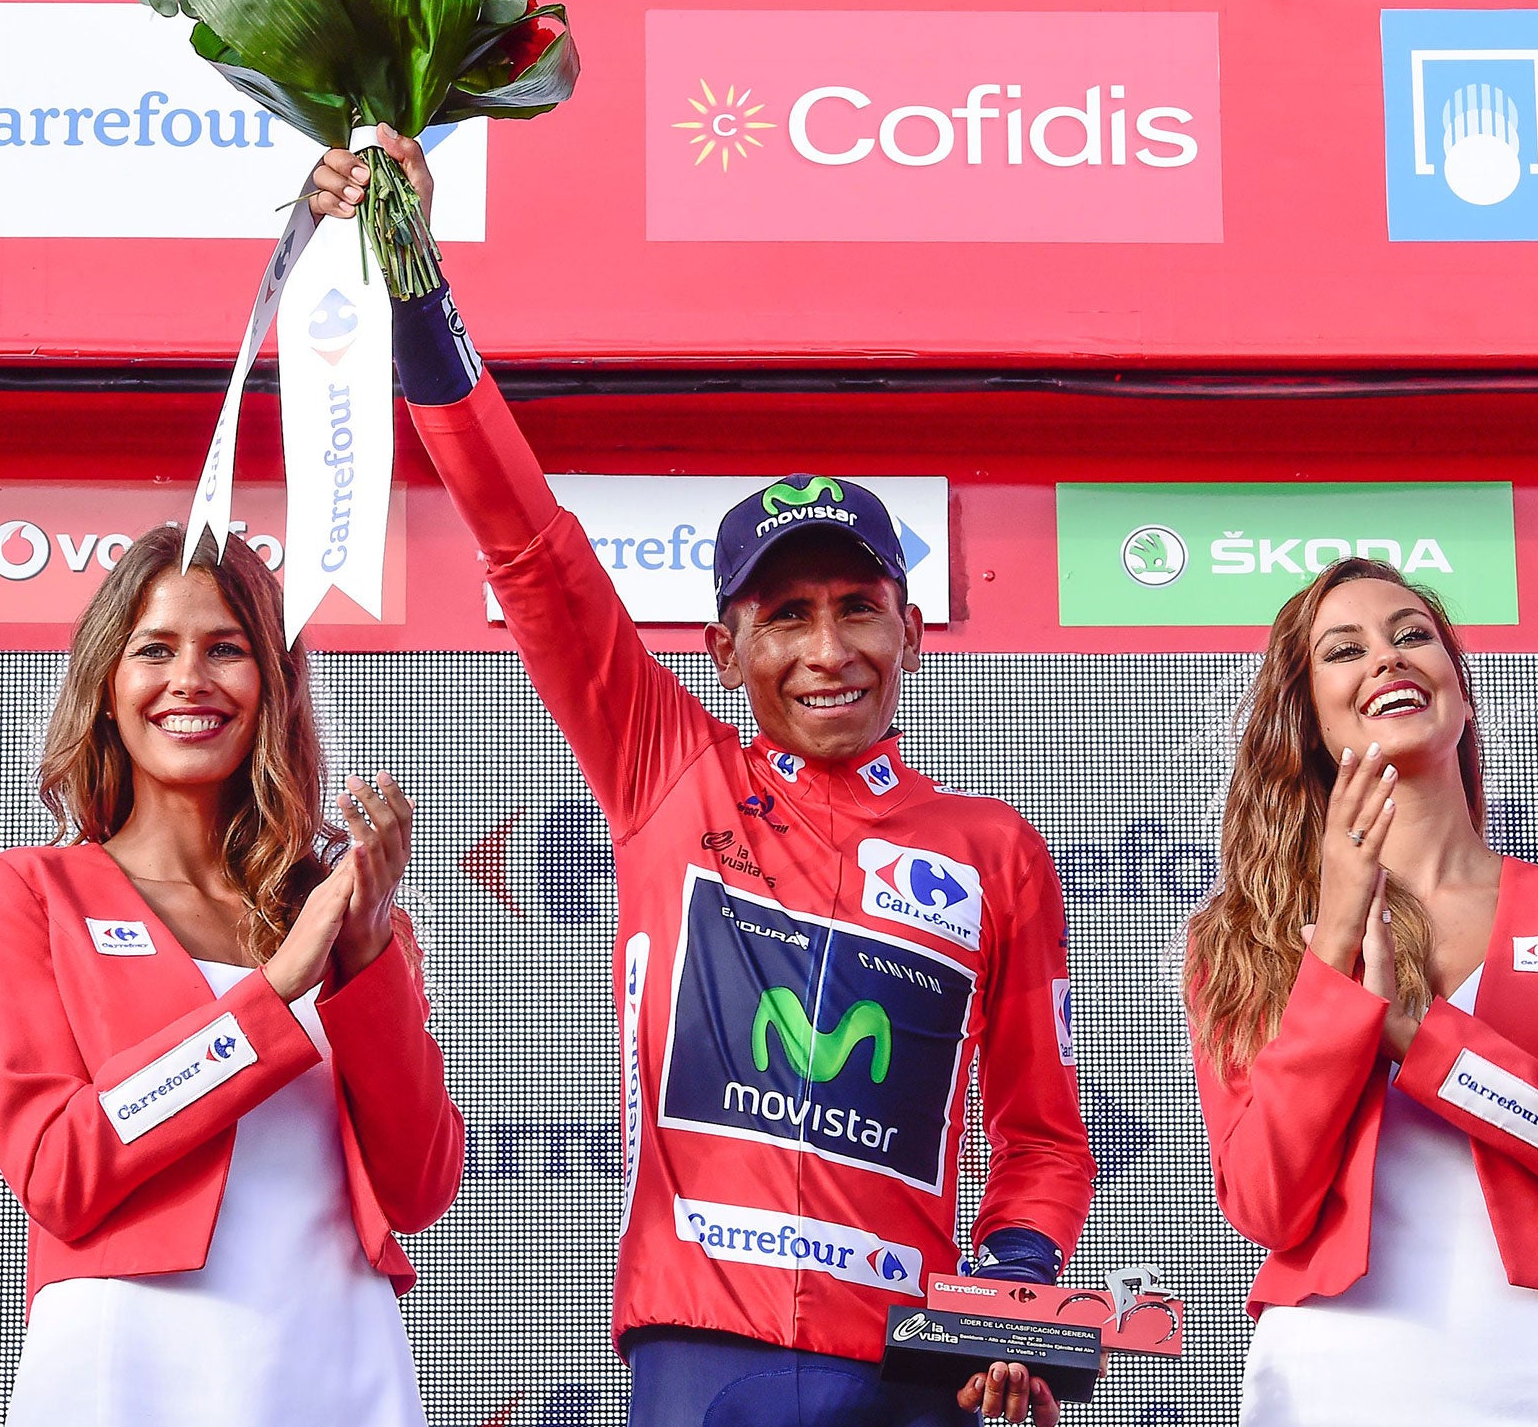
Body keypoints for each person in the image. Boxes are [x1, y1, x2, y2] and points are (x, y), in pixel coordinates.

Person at [311, 126, 1095, 1427]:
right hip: (701, 1353)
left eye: (858, 607)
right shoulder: (663, 767)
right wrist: (413, 287)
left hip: (915, 1364)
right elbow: (529, 544)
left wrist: (1008, 1294)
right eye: (786, 618)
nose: (829, 649)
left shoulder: (992, 849)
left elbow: (1044, 1138)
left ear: (912, 630)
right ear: (725, 651)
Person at [0, 525, 463, 1426]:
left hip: (341, 1356)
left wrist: (368, 954)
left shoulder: (342, 912)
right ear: (107, 687)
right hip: (132, 1364)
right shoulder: (28, 892)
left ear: (270, 685)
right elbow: (58, 1168)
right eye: (155, 649)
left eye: (225, 648)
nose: (190, 678)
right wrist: (273, 992)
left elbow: (419, 1188)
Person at [1181, 557, 1538, 1426]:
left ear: (1461, 685)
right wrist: (1333, 945)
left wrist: (1425, 1042)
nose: (1387, 658)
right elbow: (1266, 1201)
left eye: (1413, 635)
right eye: (1345, 650)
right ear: (1310, 717)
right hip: (1329, 1375)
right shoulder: (1244, 934)